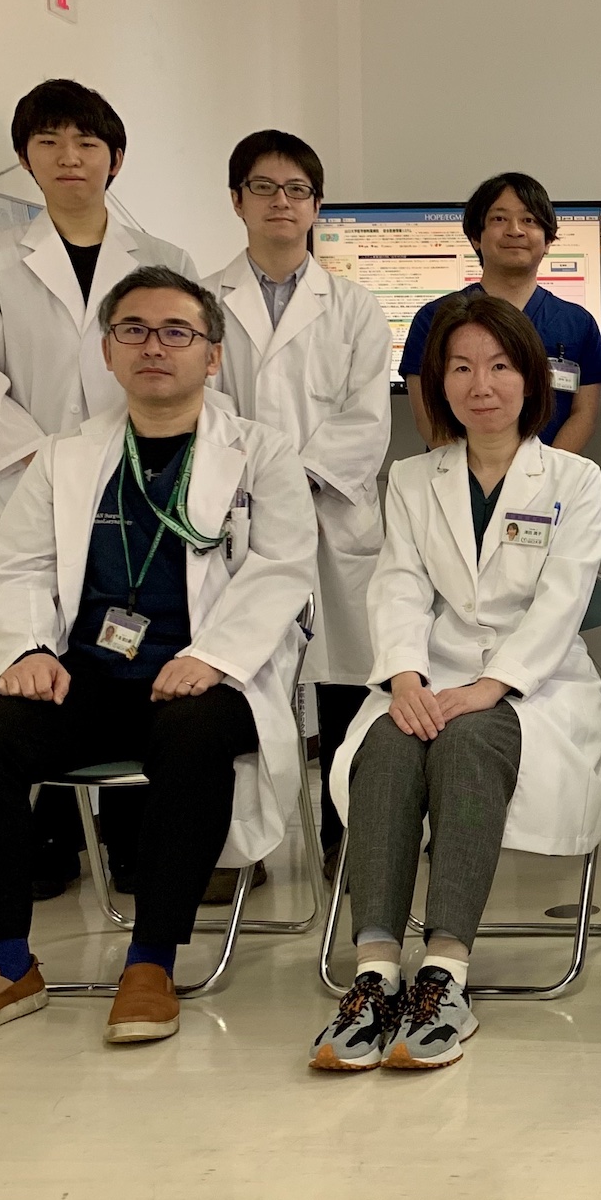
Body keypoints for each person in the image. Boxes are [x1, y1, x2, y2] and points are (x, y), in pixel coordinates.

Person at [0, 266, 314, 1043]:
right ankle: (8, 959)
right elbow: (19, 564)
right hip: (89, 673)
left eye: (177, 332)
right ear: (108, 351)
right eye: (132, 330)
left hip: (208, 675)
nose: (154, 346)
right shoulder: (66, 457)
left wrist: (215, 656)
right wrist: (29, 648)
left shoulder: (260, 453)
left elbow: (283, 568)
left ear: (212, 355)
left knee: (193, 734)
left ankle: (151, 961)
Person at [311, 293, 601, 1071]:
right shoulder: (413, 477)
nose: (481, 384)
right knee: (388, 744)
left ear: (531, 378)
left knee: (468, 741)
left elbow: (562, 601)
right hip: (432, 671)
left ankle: (445, 974)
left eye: (500, 366)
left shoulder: (575, 478)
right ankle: (375, 974)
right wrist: (405, 677)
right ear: (438, 383)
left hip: (534, 685)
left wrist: (493, 685)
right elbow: (398, 585)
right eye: (460, 368)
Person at [0, 82, 199, 900]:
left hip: (143, 479)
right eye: (49, 141)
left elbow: (183, 362)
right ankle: (47, 844)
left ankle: (130, 842)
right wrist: (54, 457)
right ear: (25, 158)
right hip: (28, 475)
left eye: (86, 142)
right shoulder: (1, 258)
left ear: (115, 157)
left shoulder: (164, 258)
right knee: (42, 652)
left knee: (135, 643)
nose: (69, 157)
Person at [207, 130, 391, 878]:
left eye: (296, 190)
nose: (280, 202)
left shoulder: (353, 305)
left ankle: (346, 832)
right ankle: (233, 847)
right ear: (236, 200)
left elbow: (366, 418)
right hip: (235, 516)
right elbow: (205, 408)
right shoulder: (205, 301)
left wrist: (288, 478)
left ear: (316, 206)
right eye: (263, 187)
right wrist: (260, 482)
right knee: (242, 680)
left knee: (345, 681)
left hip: (331, 514)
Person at [400, 173, 601, 454]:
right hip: (454, 475)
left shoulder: (577, 323)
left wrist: (545, 472)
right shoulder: (434, 318)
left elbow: (584, 415)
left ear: (548, 240)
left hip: (551, 476)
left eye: (529, 220)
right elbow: (429, 416)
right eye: (499, 219)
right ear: (475, 237)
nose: (515, 231)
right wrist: (473, 474)